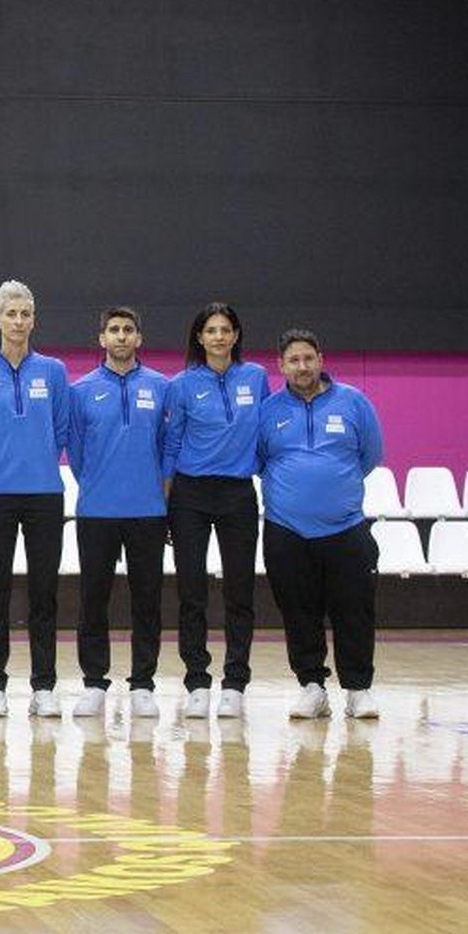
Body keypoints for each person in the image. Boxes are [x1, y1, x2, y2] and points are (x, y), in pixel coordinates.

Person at [258, 330, 385, 720]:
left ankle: (358, 689)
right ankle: (312, 687)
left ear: (321, 359)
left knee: (354, 611)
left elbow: (370, 455)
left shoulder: (353, 402)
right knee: (298, 612)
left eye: (308, 358)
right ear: (281, 366)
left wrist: (332, 488)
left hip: (346, 528)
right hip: (286, 530)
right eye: (293, 360)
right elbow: (260, 460)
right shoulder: (267, 410)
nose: (302, 366)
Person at [0, 279, 69, 717]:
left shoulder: (54, 371)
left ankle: (44, 685)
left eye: (25, 313)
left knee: (44, 593)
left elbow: (61, 428)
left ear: (34, 319)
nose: (19, 321)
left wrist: (38, 463)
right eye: (11, 313)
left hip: (45, 494)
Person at [163, 302, 269, 719]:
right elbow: (172, 443)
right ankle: (197, 681)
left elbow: (266, 434)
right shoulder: (182, 385)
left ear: (236, 335)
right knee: (192, 592)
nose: (219, 337)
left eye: (226, 330)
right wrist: (166, 501)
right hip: (190, 495)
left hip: (237, 494)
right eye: (211, 330)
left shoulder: (256, 377)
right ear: (199, 337)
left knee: (240, 591)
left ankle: (236, 682)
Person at [67, 308, 169, 719]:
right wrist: (99, 483)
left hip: (148, 511)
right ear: (102, 338)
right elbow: (76, 452)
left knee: (148, 600)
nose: (121, 336)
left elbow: (167, 445)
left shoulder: (161, 387)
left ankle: (143, 683)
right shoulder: (81, 391)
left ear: (139, 338)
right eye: (114, 330)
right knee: (94, 599)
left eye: (128, 330)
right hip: (97, 511)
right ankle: (94, 682)